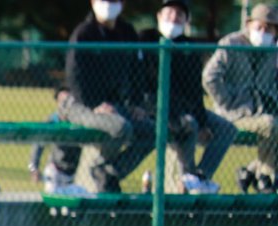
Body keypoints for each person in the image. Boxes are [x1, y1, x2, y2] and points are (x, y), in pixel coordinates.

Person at [139, 0, 234, 194]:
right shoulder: (145, 39)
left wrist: (203, 121)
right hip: (154, 107)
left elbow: (194, 90)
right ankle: (186, 178)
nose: (173, 19)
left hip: (185, 108)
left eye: (179, 15)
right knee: (189, 123)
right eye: (169, 14)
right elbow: (141, 84)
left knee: (226, 128)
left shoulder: (189, 46)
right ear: (159, 16)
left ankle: (200, 177)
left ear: (186, 20)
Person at [62, 0, 155, 193]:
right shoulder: (84, 33)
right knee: (121, 127)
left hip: (114, 105)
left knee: (151, 131)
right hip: (82, 104)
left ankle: (109, 171)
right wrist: (95, 104)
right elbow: (74, 76)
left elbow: (137, 72)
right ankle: (100, 168)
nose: (109, 5)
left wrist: (136, 104)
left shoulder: (127, 32)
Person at [202, 3, 278, 194]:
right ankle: (265, 178)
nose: (264, 31)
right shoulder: (231, 43)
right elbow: (210, 77)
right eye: (259, 26)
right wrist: (227, 101)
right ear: (249, 24)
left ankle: (251, 171)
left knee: (270, 122)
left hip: (260, 111)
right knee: (270, 124)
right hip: (233, 114)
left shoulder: (272, 51)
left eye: (269, 28)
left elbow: (271, 84)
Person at [28, 86, 87, 194]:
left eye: (68, 101)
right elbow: (38, 145)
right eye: (62, 102)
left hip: (73, 173)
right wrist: (33, 167)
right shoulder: (52, 121)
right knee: (53, 201)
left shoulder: (79, 121)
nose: (65, 105)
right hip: (55, 170)